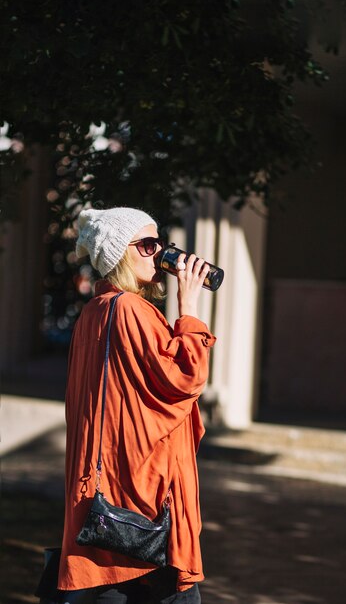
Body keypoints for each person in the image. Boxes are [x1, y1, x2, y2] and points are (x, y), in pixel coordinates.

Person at [57, 207, 216, 604]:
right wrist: (190, 308)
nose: (159, 252)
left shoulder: (95, 312)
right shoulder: (129, 309)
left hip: (108, 499)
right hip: (142, 499)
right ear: (119, 256)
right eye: (147, 245)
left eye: (160, 243)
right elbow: (186, 377)